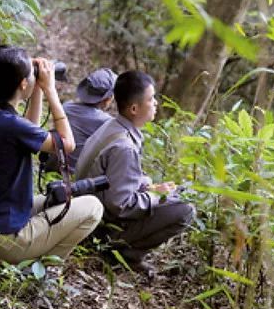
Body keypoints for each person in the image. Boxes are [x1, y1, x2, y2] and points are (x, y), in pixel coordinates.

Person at [0, 45, 103, 267]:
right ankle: (45, 270)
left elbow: (29, 129)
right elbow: (68, 144)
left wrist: (36, 89)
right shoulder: (10, 124)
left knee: (59, 200)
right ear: (22, 83)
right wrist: (51, 91)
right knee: (93, 207)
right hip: (5, 243)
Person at [75, 70, 194, 276]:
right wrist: (157, 196)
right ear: (134, 108)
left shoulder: (111, 126)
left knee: (172, 195)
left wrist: (147, 186)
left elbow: (113, 179)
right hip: (98, 228)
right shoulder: (124, 147)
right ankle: (119, 253)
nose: (155, 103)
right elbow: (122, 207)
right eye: (151, 99)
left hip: (86, 211)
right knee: (185, 210)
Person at [47, 68, 117, 172]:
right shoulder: (106, 122)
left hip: (54, 170)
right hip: (78, 180)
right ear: (108, 99)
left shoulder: (66, 107)